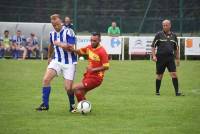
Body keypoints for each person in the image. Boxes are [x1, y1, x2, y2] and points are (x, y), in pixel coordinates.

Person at [36, 14, 77, 112]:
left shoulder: (69, 31)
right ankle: (45, 104)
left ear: (61, 21)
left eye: (56, 22)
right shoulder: (52, 33)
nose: (55, 24)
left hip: (69, 63)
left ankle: (72, 106)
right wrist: (49, 57)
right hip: (57, 61)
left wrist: (60, 44)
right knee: (46, 79)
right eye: (53, 23)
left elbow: (71, 48)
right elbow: (51, 45)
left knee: (68, 88)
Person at [69, 32, 109, 103]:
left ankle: (82, 107)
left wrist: (93, 70)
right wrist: (72, 49)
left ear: (99, 40)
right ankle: (83, 108)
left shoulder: (102, 51)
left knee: (74, 87)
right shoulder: (89, 48)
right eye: (91, 40)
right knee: (79, 92)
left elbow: (106, 66)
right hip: (88, 76)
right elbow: (80, 52)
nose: (92, 42)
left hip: (96, 78)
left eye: (94, 41)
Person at [151, 19, 184, 96]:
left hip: (170, 58)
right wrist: (153, 55)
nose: (165, 27)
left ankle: (177, 92)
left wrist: (177, 59)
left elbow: (176, 48)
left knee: (174, 74)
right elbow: (153, 46)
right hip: (160, 58)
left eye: (166, 25)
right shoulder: (158, 34)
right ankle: (157, 92)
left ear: (170, 25)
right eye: (163, 25)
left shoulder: (174, 36)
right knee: (159, 75)